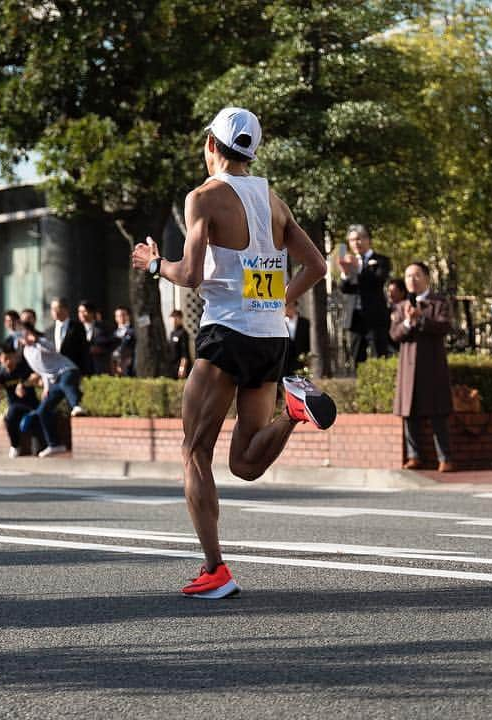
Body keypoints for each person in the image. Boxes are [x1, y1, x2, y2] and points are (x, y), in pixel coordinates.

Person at [131, 106, 335, 599]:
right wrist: (281, 298)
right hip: (270, 336)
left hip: (226, 334)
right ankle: (292, 412)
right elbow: (317, 265)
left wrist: (156, 264)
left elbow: (193, 274)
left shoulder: (202, 198)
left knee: (194, 451)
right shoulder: (272, 199)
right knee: (244, 463)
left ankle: (215, 570)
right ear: (250, 151)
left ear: (211, 145)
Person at [390, 262, 455, 473]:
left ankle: (445, 458)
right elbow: (394, 334)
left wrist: (421, 319)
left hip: (433, 366)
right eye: (408, 276)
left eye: (416, 275)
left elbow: (444, 326)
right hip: (409, 369)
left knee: (438, 414)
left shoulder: (438, 302)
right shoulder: (401, 307)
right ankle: (414, 455)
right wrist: (408, 322)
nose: (412, 280)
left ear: (427, 278)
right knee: (410, 414)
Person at [20, 322, 86, 457]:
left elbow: (52, 349)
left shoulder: (41, 342)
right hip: (54, 380)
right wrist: (46, 387)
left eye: (25, 333)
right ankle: (54, 444)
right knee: (43, 410)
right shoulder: (27, 352)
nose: (23, 337)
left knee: (65, 384)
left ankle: (76, 406)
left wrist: (37, 340)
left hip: (67, 370)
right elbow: (42, 370)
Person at [338, 224, 392, 364]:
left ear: (368, 239)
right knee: (356, 358)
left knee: (379, 357)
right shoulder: (349, 261)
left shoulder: (382, 260)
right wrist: (345, 273)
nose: (356, 243)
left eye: (359, 239)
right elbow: (345, 289)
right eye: (352, 240)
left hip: (375, 318)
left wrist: (359, 268)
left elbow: (378, 281)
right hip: (355, 318)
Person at [0, 346, 40, 458]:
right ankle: (15, 445)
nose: (8, 361)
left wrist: (23, 384)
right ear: (0, 359)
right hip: (14, 405)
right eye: (5, 359)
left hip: (30, 403)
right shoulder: (1, 374)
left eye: (10, 358)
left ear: (15, 357)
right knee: (10, 418)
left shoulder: (23, 368)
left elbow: (36, 375)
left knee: (35, 419)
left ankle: (37, 445)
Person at [78, 301, 111, 376]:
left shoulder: (103, 327)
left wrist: (101, 350)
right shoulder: (75, 329)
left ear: (92, 313)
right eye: (80, 312)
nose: (82, 314)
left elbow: (111, 344)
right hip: (82, 369)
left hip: (99, 367)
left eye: (84, 311)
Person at [283, 300, 311, 376]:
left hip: (301, 362)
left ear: (295, 307)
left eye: (291, 306)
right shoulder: (280, 323)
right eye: (286, 306)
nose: (289, 309)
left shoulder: (305, 322)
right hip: (285, 364)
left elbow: (308, 341)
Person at [111, 306, 136, 376]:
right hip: (115, 364)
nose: (120, 318)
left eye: (123, 315)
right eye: (118, 316)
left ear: (128, 316)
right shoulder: (113, 333)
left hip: (129, 364)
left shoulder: (133, 331)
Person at [168, 310, 192, 380]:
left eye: (176, 318)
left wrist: (182, 368)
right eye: (172, 318)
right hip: (172, 366)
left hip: (180, 366)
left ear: (180, 319)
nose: (174, 321)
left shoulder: (183, 333)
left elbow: (185, 353)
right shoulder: (172, 333)